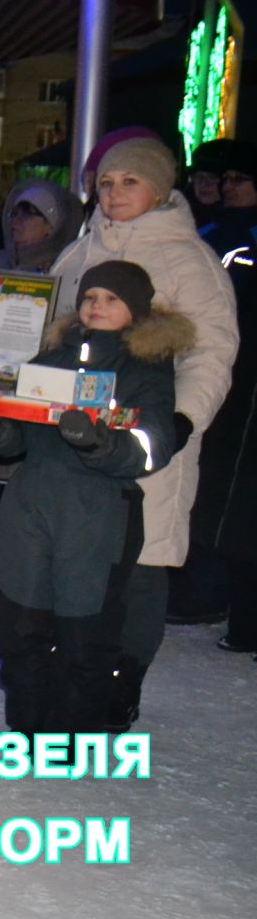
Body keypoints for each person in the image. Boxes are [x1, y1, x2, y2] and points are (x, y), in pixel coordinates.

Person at [50, 135, 238, 727]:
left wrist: (182, 421)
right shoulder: (80, 252)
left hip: (147, 439)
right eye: (106, 182)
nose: (114, 193)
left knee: (142, 561)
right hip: (74, 437)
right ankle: (74, 671)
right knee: (80, 560)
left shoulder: (190, 260)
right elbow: (46, 325)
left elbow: (211, 351)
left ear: (160, 188)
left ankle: (121, 679)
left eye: (130, 181)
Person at [0, 262, 188, 736]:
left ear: (136, 311)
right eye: (90, 297)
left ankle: (70, 739)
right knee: (21, 625)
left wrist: (99, 443)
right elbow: (15, 440)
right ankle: (27, 728)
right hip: (31, 504)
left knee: (85, 632)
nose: (96, 306)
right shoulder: (49, 362)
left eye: (111, 299)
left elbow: (153, 443)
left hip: (98, 510)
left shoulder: (145, 371)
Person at [0, 179, 79, 591]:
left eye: (33, 214)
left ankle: (14, 558)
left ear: (54, 223)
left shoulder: (67, 268)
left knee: (24, 477)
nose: (20, 221)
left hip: (41, 384)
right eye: (17, 212)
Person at [188, 140, 257, 645]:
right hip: (218, 368)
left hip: (245, 378)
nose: (225, 188)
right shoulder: (208, 230)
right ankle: (205, 586)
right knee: (208, 481)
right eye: (221, 179)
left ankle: (222, 596)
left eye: (237, 179)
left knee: (233, 489)